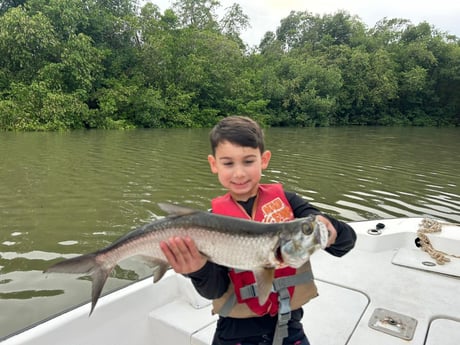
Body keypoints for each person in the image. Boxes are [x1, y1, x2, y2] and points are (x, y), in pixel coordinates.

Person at [160, 116, 357, 345]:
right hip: (233, 335)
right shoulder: (209, 225)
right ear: (214, 164)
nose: (240, 173)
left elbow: (346, 243)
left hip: (290, 328)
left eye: (248, 161)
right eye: (228, 163)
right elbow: (215, 290)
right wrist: (197, 270)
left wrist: (331, 230)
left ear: (264, 160)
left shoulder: (291, 203)